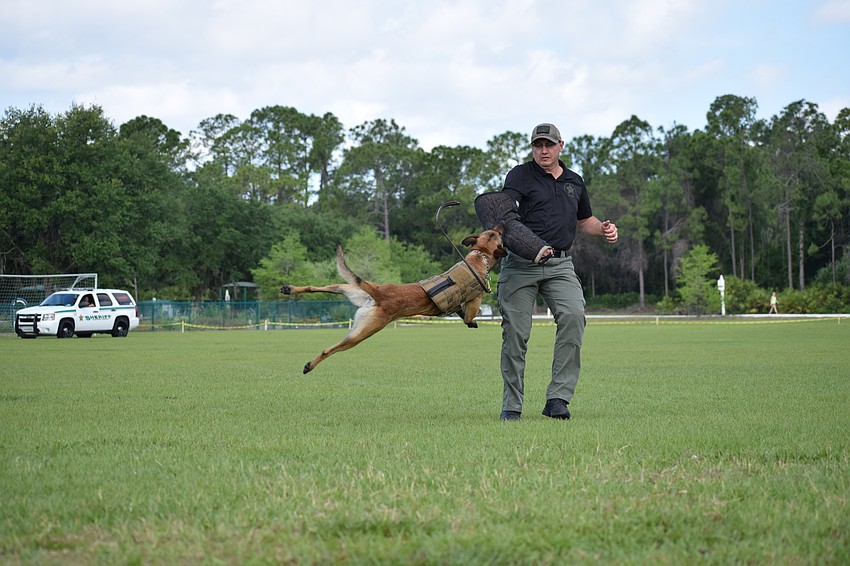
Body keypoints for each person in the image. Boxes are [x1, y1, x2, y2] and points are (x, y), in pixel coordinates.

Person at [497, 123, 618, 421]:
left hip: (560, 265)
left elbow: (585, 220)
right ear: (532, 148)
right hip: (520, 264)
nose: (544, 150)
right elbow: (503, 212)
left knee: (574, 316)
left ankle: (558, 399)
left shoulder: (574, 182)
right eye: (538, 145)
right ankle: (512, 405)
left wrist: (603, 229)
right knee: (515, 332)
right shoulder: (519, 175)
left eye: (549, 145)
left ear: (561, 146)